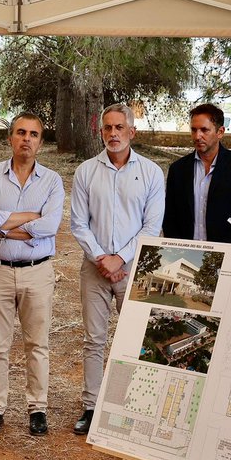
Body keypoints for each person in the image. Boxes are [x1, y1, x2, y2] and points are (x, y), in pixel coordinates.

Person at [71, 103, 165, 434]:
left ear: (131, 131)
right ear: (101, 132)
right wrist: (102, 258)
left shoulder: (152, 173)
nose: (113, 134)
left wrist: (121, 259)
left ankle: (133, 408)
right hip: (94, 269)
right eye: (107, 128)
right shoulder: (86, 171)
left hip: (136, 268)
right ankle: (92, 406)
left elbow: (152, 227)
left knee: (138, 339)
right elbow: (79, 224)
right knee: (94, 339)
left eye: (119, 128)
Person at [0, 112, 64, 438]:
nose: (26, 139)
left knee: (37, 344)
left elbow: (50, 226)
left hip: (37, 273)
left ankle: (37, 408)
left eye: (34, 134)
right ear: (10, 137)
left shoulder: (52, 181)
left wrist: (4, 222)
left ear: (40, 141)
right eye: (21, 132)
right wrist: (30, 221)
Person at [161, 103, 231, 243]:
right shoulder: (178, 169)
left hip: (225, 254)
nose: (197, 136)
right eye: (194, 130)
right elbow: (170, 217)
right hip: (184, 252)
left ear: (220, 132)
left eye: (204, 130)